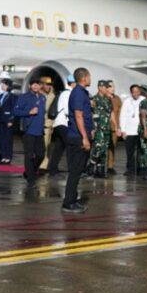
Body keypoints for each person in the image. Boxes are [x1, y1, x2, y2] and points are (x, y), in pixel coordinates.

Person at [62, 68, 92, 213]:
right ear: (84, 78)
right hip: (78, 137)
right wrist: (85, 137)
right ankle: (68, 203)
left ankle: (72, 199)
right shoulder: (79, 93)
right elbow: (78, 115)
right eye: (89, 76)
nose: (90, 79)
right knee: (75, 170)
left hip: (78, 135)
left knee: (77, 170)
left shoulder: (81, 92)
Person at [13, 78, 47, 186]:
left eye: (38, 84)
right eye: (33, 84)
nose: (36, 86)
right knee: (29, 155)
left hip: (40, 131)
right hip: (29, 131)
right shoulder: (24, 97)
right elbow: (16, 111)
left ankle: (29, 172)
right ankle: (31, 179)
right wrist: (29, 112)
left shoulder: (42, 97)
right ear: (29, 86)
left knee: (41, 155)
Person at [48, 75, 75, 175]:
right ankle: (72, 169)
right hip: (63, 123)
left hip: (59, 123)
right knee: (70, 146)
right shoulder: (68, 94)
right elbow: (68, 110)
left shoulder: (64, 93)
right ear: (73, 83)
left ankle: (52, 168)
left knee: (59, 147)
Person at [88, 81, 113, 178]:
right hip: (98, 128)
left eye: (108, 87)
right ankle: (91, 165)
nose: (107, 89)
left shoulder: (108, 99)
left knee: (104, 150)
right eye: (105, 87)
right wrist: (92, 128)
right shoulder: (94, 99)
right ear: (99, 87)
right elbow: (90, 114)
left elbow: (110, 114)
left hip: (106, 128)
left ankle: (100, 170)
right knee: (98, 148)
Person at [119, 84, 144, 176]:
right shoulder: (127, 102)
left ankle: (140, 169)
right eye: (134, 92)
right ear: (131, 93)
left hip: (140, 131)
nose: (136, 93)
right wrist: (123, 130)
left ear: (140, 92)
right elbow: (122, 116)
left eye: (137, 91)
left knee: (141, 151)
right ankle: (130, 169)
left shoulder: (144, 100)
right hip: (129, 131)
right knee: (130, 152)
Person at [0, 77, 16, 164]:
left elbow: (14, 109)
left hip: (8, 120)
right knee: (1, 139)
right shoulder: (1, 96)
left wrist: (11, 120)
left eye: (4, 84)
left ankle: (8, 156)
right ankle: (3, 155)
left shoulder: (12, 96)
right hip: (0, 120)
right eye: (2, 84)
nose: (2, 86)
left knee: (8, 140)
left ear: (8, 86)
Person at [38, 76, 56, 172]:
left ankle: (43, 165)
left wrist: (52, 125)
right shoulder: (38, 95)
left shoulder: (52, 96)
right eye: (47, 84)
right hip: (37, 124)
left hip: (47, 124)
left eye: (50, 84)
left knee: (45, 146)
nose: (48, 86)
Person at [107, 81, 122, 175]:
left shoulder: (117, 99)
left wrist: (119, 126)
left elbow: (120, 113)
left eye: (113, 86)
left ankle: (110, 166)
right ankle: (99, 166)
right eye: (110, 86)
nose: (112, 88)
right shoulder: (101, 98)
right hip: (103, 127)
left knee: (112, 147)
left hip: (114, 127)